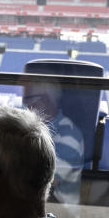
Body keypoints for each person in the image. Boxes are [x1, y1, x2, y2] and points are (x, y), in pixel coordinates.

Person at [22, 81, 85, 209]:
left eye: (27, 99)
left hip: (60, 211)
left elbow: (45, 181)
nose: (24, 105)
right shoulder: (29, 129)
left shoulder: (70, 136)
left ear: (45, 100)